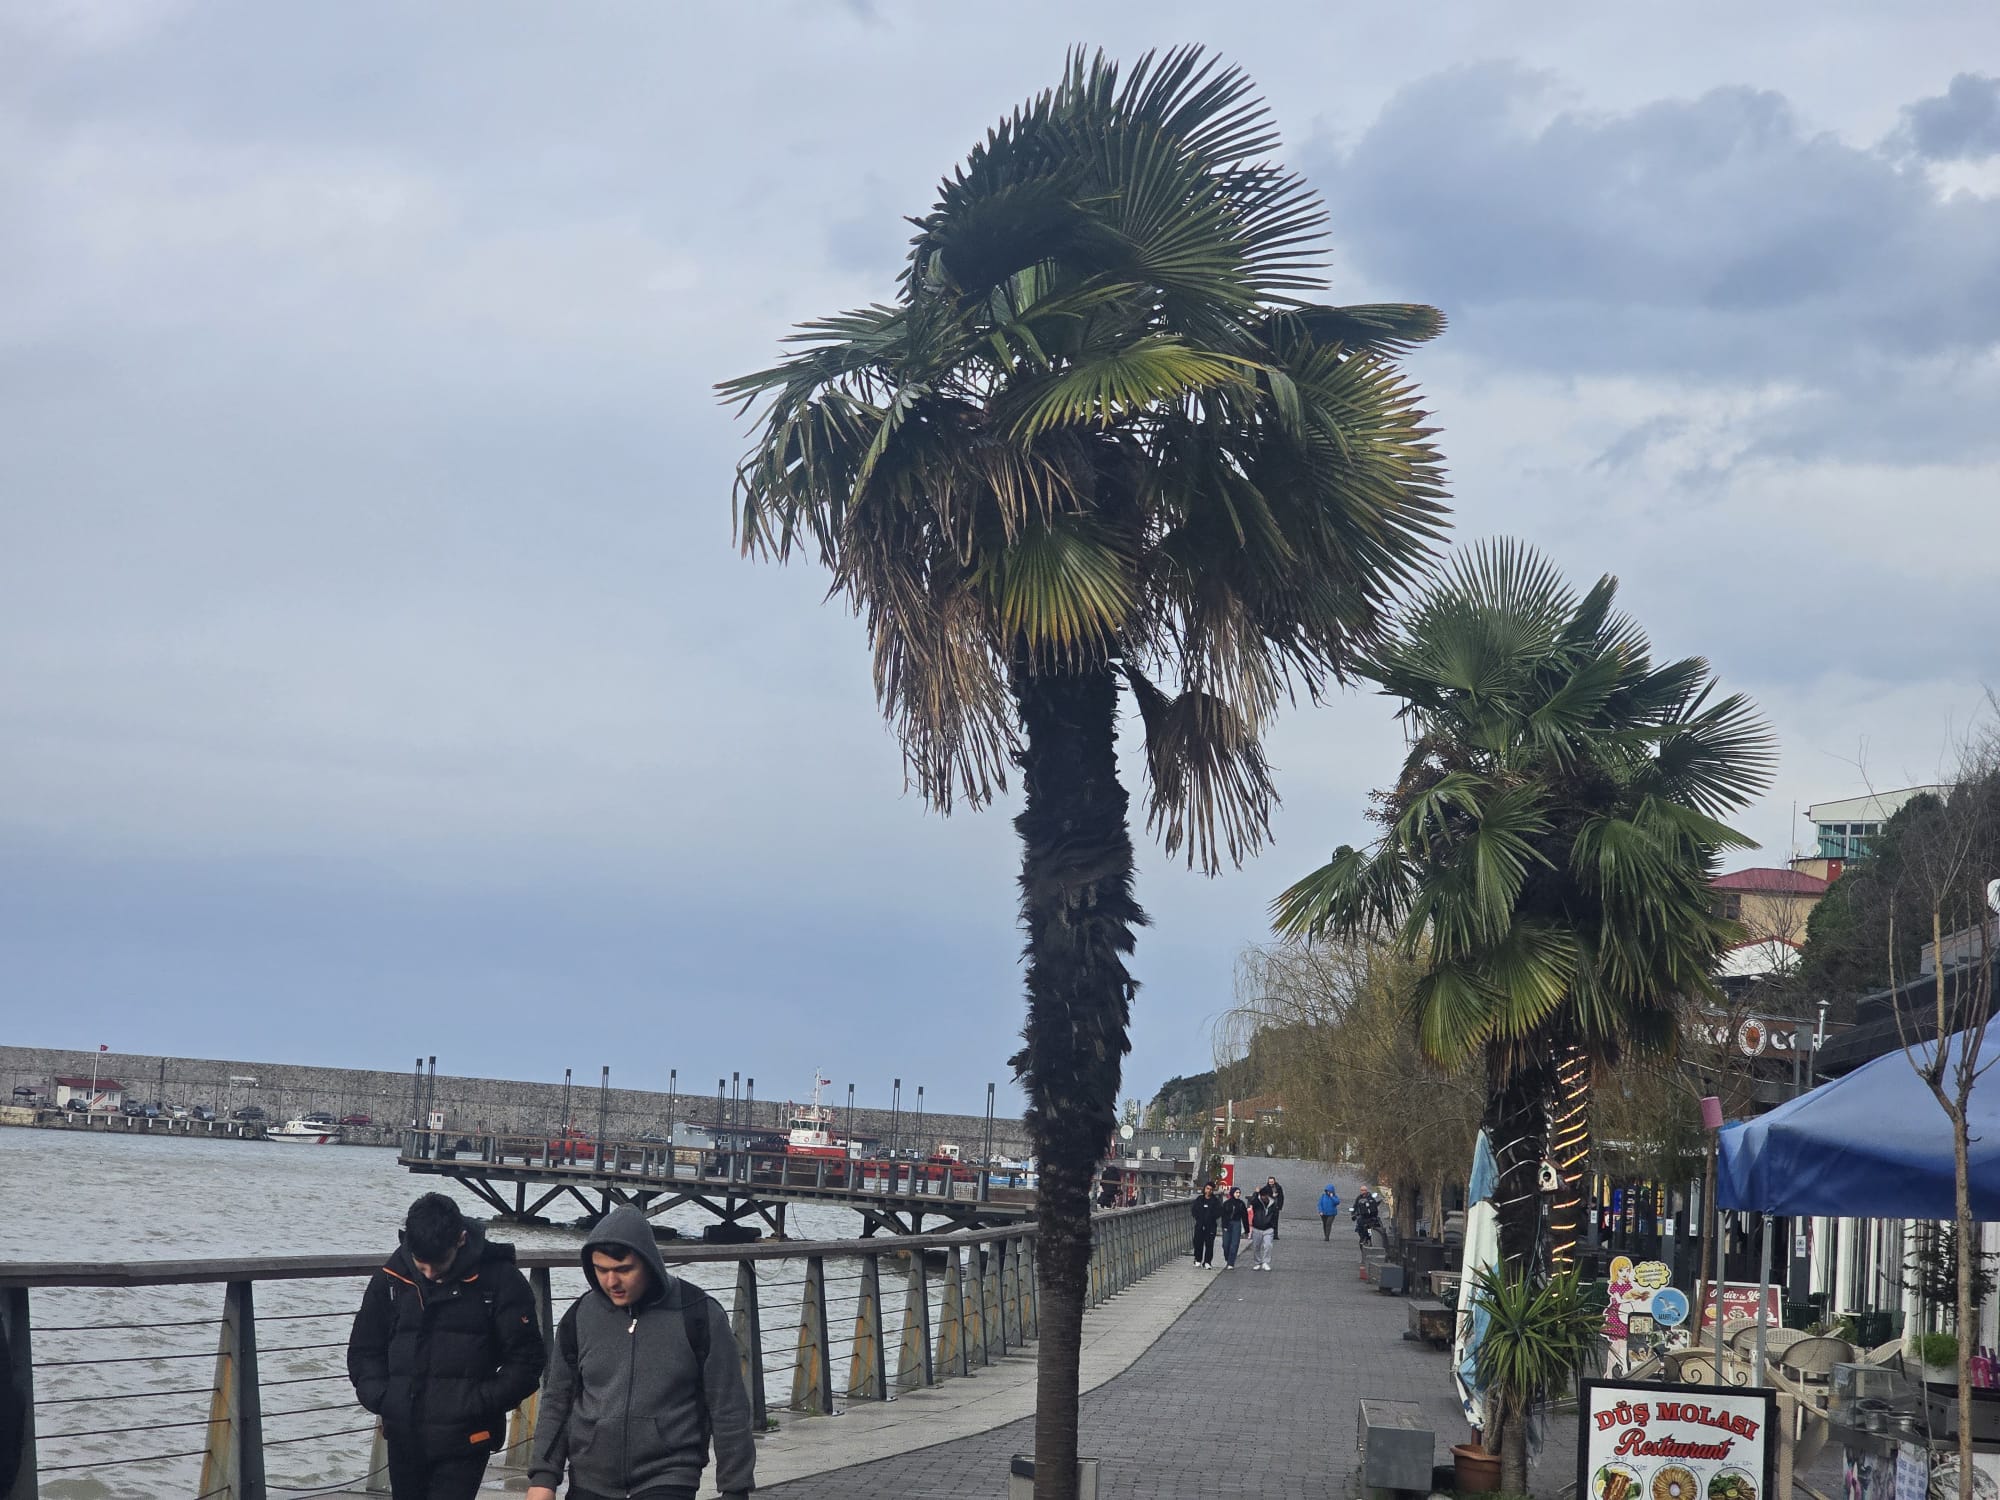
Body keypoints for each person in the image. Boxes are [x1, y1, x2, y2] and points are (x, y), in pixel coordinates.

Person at [526, 1205, 755, 1500]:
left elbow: (728, 1406)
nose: (612, 1282)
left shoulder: (699, 1313)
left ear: (648, 1262)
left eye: (623, 1270)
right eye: (601, 1270)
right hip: (589, 1478)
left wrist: (735, 1488)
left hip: (669, 1476)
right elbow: (558, 1400)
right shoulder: (579, 1316)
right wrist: (543, 1478)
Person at [347, 1192, 545, 1500]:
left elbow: (527, 1361)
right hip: (404, 1433)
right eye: (421, 1264)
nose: (429, 1274)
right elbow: (364, 1350)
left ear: (461, 1239)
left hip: (467, 1436)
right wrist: (385, 1399)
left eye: (438, 1264)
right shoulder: (391, 1277)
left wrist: (479, 1402)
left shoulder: (501, 1280)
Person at [1189, 1181, 1221, 1268]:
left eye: (1211, 1189)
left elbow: (1219, 1212)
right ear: (1204, 1189)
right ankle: (1198, 1259)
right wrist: (1198, 1218)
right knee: (1197, 1242)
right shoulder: (1199, 1199)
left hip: (1211, 1226)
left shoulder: (1215, 1201)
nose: (1209, 1191)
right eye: (1207, 1188)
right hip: (1200, 1225)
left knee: (1209, 1244)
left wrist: (1211, 1217)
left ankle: (1207, 1262)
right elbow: (1194, 1210)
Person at [1219, 1185, 1250, 1269]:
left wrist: (1247, 1230)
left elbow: (1245, 1217)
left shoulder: (1241, 1203)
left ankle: (1231, 1262)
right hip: (1227, 1224)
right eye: (1236, 1192)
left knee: (1235, 1244)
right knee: (1225, 1244)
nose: (1238, 1194)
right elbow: (1223, 1215)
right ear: (1232, 1193)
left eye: (1239, 1193)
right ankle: (1227, 1258)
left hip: (1236, 1223)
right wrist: (1224, 1225)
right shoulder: (1226, 1203)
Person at [1248, 1186, 1278, 1271]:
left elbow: (1275, 1215)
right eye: (1261, 1196)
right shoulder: (1257, 1202)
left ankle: (1265, 1262)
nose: (1263, 1197)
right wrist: (1256, 1193)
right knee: (1256, 1246)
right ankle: (1257, 1262)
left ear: (1267, 1195)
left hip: (1268, 1228)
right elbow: (1252, 1202)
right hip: (1257, 1227)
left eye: (1264, 1196)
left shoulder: (1273, 1203)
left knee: (1268, 1245)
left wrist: (1273, 1226)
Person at [1264, 1175, 1286, 1240]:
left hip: (1276, 1207)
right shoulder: (1265, 1188)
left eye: (1272, 1182)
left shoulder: (1278, 1187)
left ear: (1274, 1181)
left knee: (1275, 1221)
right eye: (1270, 1182)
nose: (1271, 1183)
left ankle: (1275, 1235)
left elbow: (1281, 1197)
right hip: (1269, 1207)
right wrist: (1272, 1195)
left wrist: (1280, 1206)